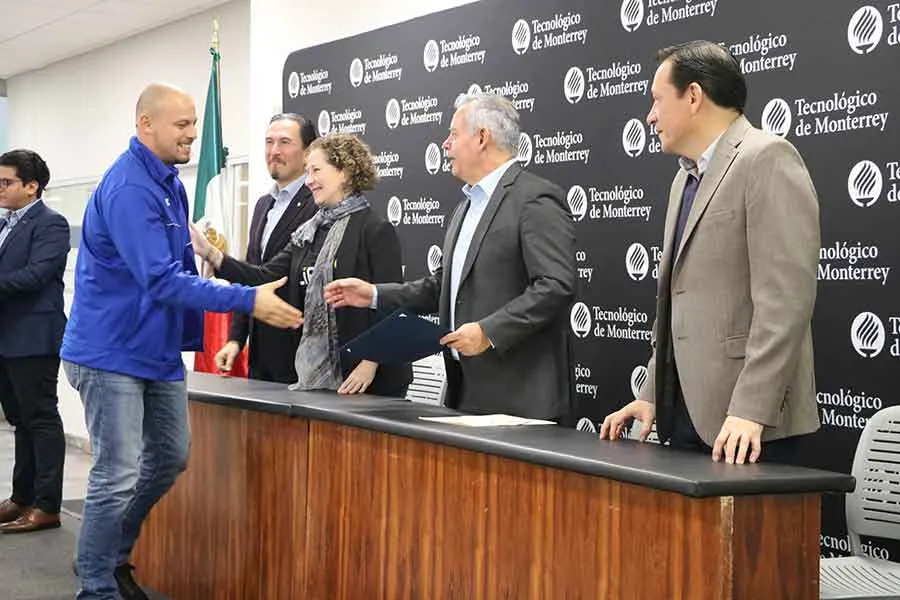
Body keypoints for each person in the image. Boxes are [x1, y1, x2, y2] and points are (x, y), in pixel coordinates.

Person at [60, 82, 303, 600]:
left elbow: (177, 268)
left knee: (171, 456)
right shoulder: (129, 188)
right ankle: (98, 586)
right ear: (146, 124)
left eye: (195, 123)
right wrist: (246, 299)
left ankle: (110, 556)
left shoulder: (168, 180)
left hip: (156, 352)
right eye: (182, 125)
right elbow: (162, 280)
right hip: (110, 354)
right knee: (118, 471)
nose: (193, 133)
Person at [599, 41, 821, 465]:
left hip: (748, 429)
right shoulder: (683, 181)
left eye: (657, 100)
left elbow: (785, 303)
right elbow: (680, 305)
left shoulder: (767, 158)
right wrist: (650, 395)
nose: (650, 116)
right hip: (685, 418)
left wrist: (751, 409)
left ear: (695, 96)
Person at [324, 94, 576, 420]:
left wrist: (488, 331)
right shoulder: (465, 206)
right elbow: (441, 288)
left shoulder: (534, 199)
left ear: (482, 137)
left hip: (520, 400)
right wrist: (372, 294)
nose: (446, 144)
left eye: (454, 134)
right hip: (466, 393)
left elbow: (556, 286)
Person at [194, 133, 412, 396]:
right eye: (307, 172)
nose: (309, 181)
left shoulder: (375, 230)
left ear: (344, 172)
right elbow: (264, 276)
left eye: (316, 171)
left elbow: (391, 305)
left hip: (370, 379)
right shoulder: (307, 233)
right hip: (319, 378)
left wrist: (370, 362)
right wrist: (212, 255)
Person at [213, 113, 319, 383]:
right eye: (269, 142)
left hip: (300, 357)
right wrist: (236, 339)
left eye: (285, 142)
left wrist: (213, 255)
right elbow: (251, 275)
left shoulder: (318, 204)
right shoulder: (263, 205)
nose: (274, 151)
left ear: (308, 152)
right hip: (260, 356)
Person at [0, 149, 68, 534]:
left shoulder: (51, 224)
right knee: (20, 421)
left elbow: (36, 276)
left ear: (32, 187)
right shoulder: (4, 225)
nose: (0, 189)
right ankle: (21, 497)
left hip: (33, 338)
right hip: (6, 338)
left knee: (40, 420)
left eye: (6, 182)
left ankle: (47, 505)